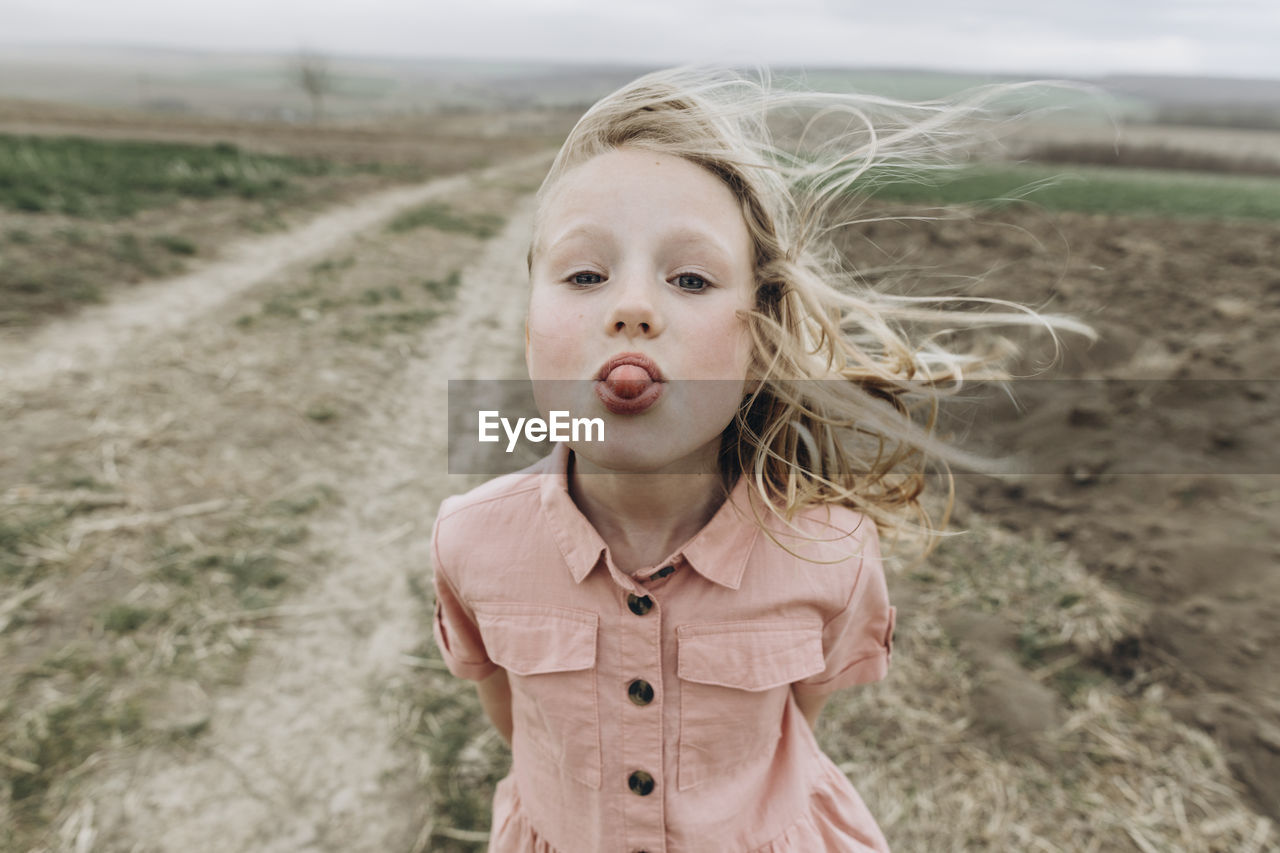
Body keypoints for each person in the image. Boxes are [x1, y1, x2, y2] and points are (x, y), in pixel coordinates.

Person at [431, 67, 1092, 852]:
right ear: (530, 323)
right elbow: (511, 712)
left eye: (690, 278)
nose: (631, 307)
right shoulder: (469, 541)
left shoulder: (828, 551)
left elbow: (798, 719)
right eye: (584, 274)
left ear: (756, 340)